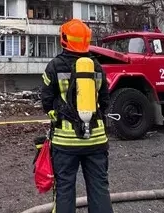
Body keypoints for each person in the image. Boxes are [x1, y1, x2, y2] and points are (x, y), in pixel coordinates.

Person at [41, 18, 113, 213]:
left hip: (65, 142)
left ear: (64, 39)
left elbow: (46, 101)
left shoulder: (55, 66)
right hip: (96, 140)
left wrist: (57, 114)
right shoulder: (96, 66)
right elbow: (105, 101)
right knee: (99, 188)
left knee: (65, 188)